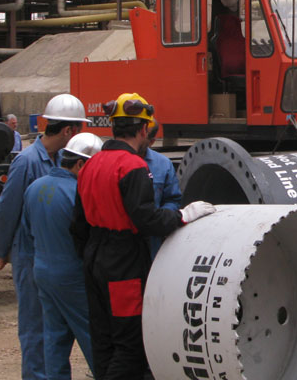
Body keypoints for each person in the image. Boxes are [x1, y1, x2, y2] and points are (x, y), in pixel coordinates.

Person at [70, 92, 215, 379]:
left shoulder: (90, 165)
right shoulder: (133, 166)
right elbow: (146, 219)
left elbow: (77, 225)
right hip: (123, 263)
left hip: (94, 259)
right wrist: (183, 215)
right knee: (130, 346)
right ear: (143, 129)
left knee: (103, 341)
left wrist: (91, 257)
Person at [0, 94, 90, 380]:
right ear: (69, 130)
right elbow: (6, 208)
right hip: (30, 255)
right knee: (35, 328)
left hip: (53, 256)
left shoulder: (60, 160)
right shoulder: (27, 161)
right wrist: (1, 249)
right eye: (78, 129)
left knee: (55, 330)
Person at [22, 132, 103, 379]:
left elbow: (27, 231)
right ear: (80, 164)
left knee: (55, 338)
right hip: (72, 275)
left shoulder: (34, 188)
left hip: (43, 271)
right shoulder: (78, 192)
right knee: (93, 335)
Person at [143, 121, 182, 259]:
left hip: (153, 243)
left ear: (151, 142)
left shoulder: (163, 165)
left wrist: (160, 218)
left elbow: (173, 199)